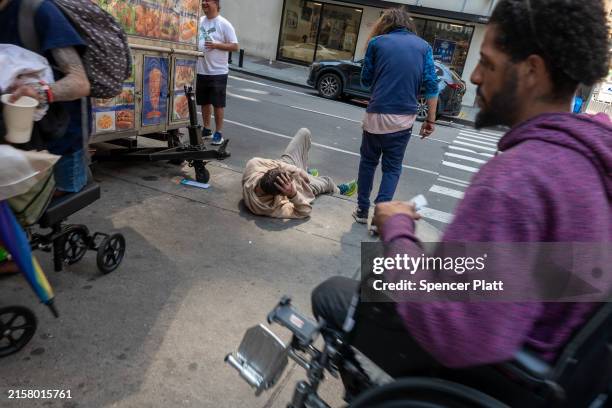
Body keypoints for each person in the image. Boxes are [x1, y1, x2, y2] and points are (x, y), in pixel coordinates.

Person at [312, 0, 611, 375]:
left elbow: (457, 331)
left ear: (532, 70)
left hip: (485, 370)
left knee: (334, 293)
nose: (474, 78)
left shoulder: (517, 180)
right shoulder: (590, 162)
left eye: (487, 62)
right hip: (542, 356)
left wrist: (398, 233)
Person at [352, 8, 438, 225]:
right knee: (392, 169)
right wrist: (430, 120)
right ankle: (380, 217)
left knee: (368, 163)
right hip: (403, 120)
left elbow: (365, 80)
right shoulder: (424, 47)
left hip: (375, 116)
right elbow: (431, 87)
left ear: (385, 24)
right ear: (409, 25)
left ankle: (362, 210)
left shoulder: (376, 43)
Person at [0, 0, 91, 195]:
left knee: (51, 206)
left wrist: (40, 92)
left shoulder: (39, 10)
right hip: (18, 143)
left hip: (61, 140)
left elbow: (80, 83)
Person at [242, 128, 357, 219]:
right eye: (289, 179)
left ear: (265, 174)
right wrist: (293, 194)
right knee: (327, 181)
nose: (292, 177)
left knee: (304, 133)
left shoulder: (253, 165)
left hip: (285, 165)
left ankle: (305, 171)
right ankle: (338, 191)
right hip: (301, 188)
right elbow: (304, 211)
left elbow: (277, 164)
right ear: (279, 194)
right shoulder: (270, 208)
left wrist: (299, 171)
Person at [197, 0, 238, 145]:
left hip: (218, 72)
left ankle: (218, 133)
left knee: (218, 104)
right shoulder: (199, 20)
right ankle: (207, 129)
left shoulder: (224, 23)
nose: (204, 3)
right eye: (203, 1)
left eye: (207, 0)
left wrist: (216, 45)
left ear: (216, 4)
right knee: (204, 102)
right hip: (201, 69)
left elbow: (235, 46)